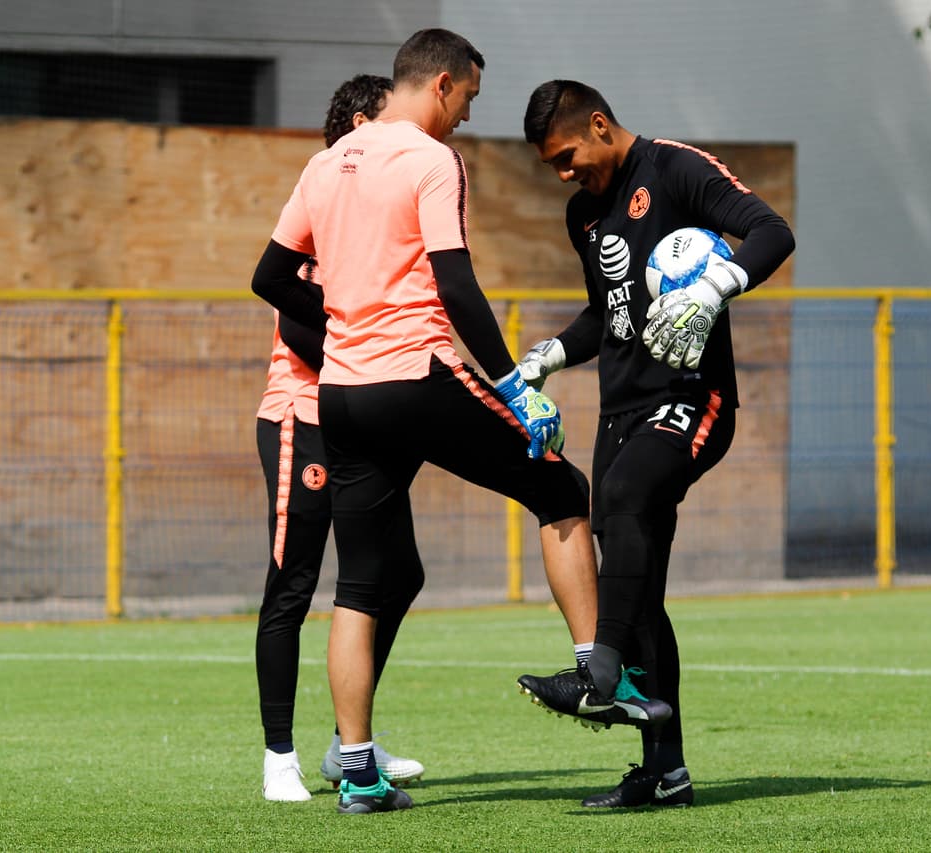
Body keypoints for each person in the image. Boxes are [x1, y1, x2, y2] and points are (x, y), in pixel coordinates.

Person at [251, 31, 603, 814]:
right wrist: (515, 384)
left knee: (365, 584)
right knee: (560, 484)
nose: (466, 117)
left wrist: (342, 322)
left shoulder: (324, 163)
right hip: (413, 373)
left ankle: (358, 772)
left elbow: (271, 274)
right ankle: (597, 669)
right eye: (469, 99)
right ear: (441, 84)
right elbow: (455, 282)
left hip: (340, 393)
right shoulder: (430, 159)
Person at [513, 80, 795, 809]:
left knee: (623, 495)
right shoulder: (585, 215)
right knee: (635, 585)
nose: (565, 174)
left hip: (693, 400)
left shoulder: (675, 170)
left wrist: (717, 287)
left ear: (600, 125)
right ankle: (663, 771)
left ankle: (599, 672)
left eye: (568, 155)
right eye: (553, 165)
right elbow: (607, 317)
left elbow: (772, 232)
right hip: (621, 412)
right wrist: (550, 352)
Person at [256, 74, 428, 803]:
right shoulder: (323, 198)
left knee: (400, 572)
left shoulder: (380, 211)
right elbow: (300, 324)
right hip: (305, 418)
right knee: (294, 584)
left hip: (359, 421)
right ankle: (278, 759)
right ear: (363, 120)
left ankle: (345, 742)